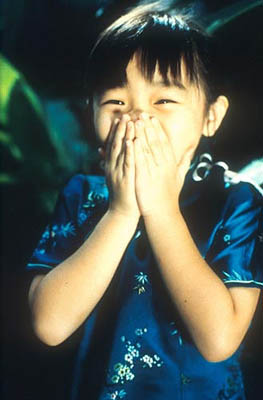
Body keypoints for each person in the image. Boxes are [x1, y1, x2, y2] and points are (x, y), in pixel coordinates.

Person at [26, 3, 263, 399]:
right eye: (116, 102)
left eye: (163, 101)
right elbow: (49, 325)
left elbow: (219, 340)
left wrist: (161, 209)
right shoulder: (83, 194)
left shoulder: (237, 200)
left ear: (211, 116)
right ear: (91, 115)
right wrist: (122, 211)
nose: (136, 118)